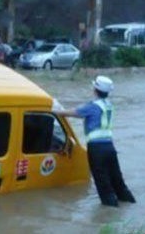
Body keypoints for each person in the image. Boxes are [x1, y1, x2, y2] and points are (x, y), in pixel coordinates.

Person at [54, 75, 135, 207]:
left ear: (95, 89)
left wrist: (55, 110)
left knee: (103, 183)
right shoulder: (108, 105)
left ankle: (110, 213)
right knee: (117, 181)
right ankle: (129, 205)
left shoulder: (92, 106)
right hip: (110, 147)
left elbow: (72, 113)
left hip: (97, 150)